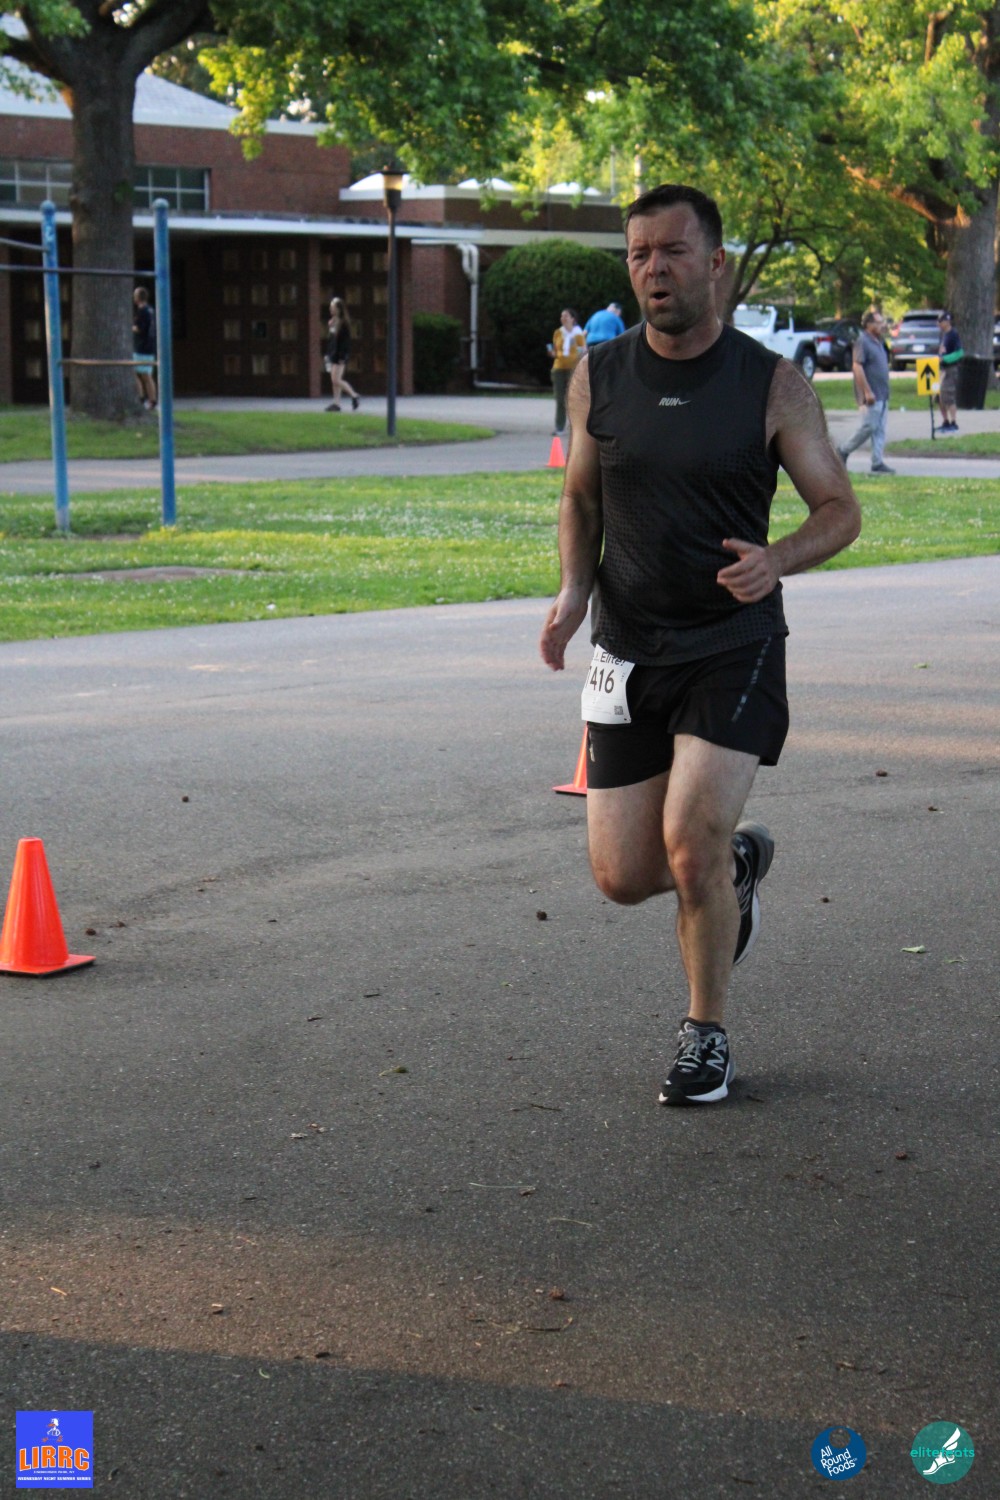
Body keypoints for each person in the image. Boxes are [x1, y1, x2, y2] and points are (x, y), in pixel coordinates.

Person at [539, 183, 861, 1106]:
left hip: (732, 641)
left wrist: (777, 559)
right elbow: (581, 495)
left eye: (673, 252)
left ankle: (704, 1034)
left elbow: (840, 509)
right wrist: (573, 591)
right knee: (623, 876)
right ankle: (737, 869)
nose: (654, 269)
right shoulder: (599, 374)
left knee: (689, 842)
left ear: (714, 264)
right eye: (639, 253)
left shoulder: (771, 383)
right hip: (627, 649)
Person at [836, 310, 894, 474]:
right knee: (869, 426)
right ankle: (843, 451)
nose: (882, 325)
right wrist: (867, 391)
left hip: (882, 393)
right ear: (869, 324)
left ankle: (877, 462)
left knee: (880, 429)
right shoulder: (863, 341)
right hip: (871, 395)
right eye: (878, 322)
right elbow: (857, 366)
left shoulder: (879, 341)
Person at [547, 308, 586, 435]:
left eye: (566, 316)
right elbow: (555, 349)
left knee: (573, 398)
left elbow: (583, 350)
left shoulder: (578, 333)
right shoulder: (558, 333)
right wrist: (552, 353)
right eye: (561, 316)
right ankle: (559, 427)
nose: (563, 318)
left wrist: (579, 358)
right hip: (558, 367)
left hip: (573, 369)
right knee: (560, 398)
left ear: (572, 319)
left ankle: (576, 427)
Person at [324, 297, 360, 412]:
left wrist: (343, 356)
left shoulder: (343, 323)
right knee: (334, 380)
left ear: (338, 309)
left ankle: (354, 395)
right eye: (330, 307)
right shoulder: (333, 322)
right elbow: (331, 341)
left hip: (340, 356)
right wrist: (328, 354)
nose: (330, 309)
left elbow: (345, 342)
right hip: (333, 354)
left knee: (336, 380)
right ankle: (336, 403)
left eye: (333, 307)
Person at [936, 312, 963, 433]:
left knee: (949, 395)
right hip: (942, 370)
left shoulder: (953, 334)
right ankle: (945, 421)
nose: (938, 324)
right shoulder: (943, 335)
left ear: (947, 322)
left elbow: (959, 353)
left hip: (951, 369)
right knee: (940, 396)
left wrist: (945, 359)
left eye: (940, 321)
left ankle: (954, 422)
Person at [132, 287, 157, 411]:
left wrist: (131, 327)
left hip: (142, 347)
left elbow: (139, 328)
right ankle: (152, 400)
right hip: (150, 346)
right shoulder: (151, 310)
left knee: (137, 373)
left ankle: (142, 398)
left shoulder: (142, 311)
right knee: (146, 374)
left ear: (138, 298)